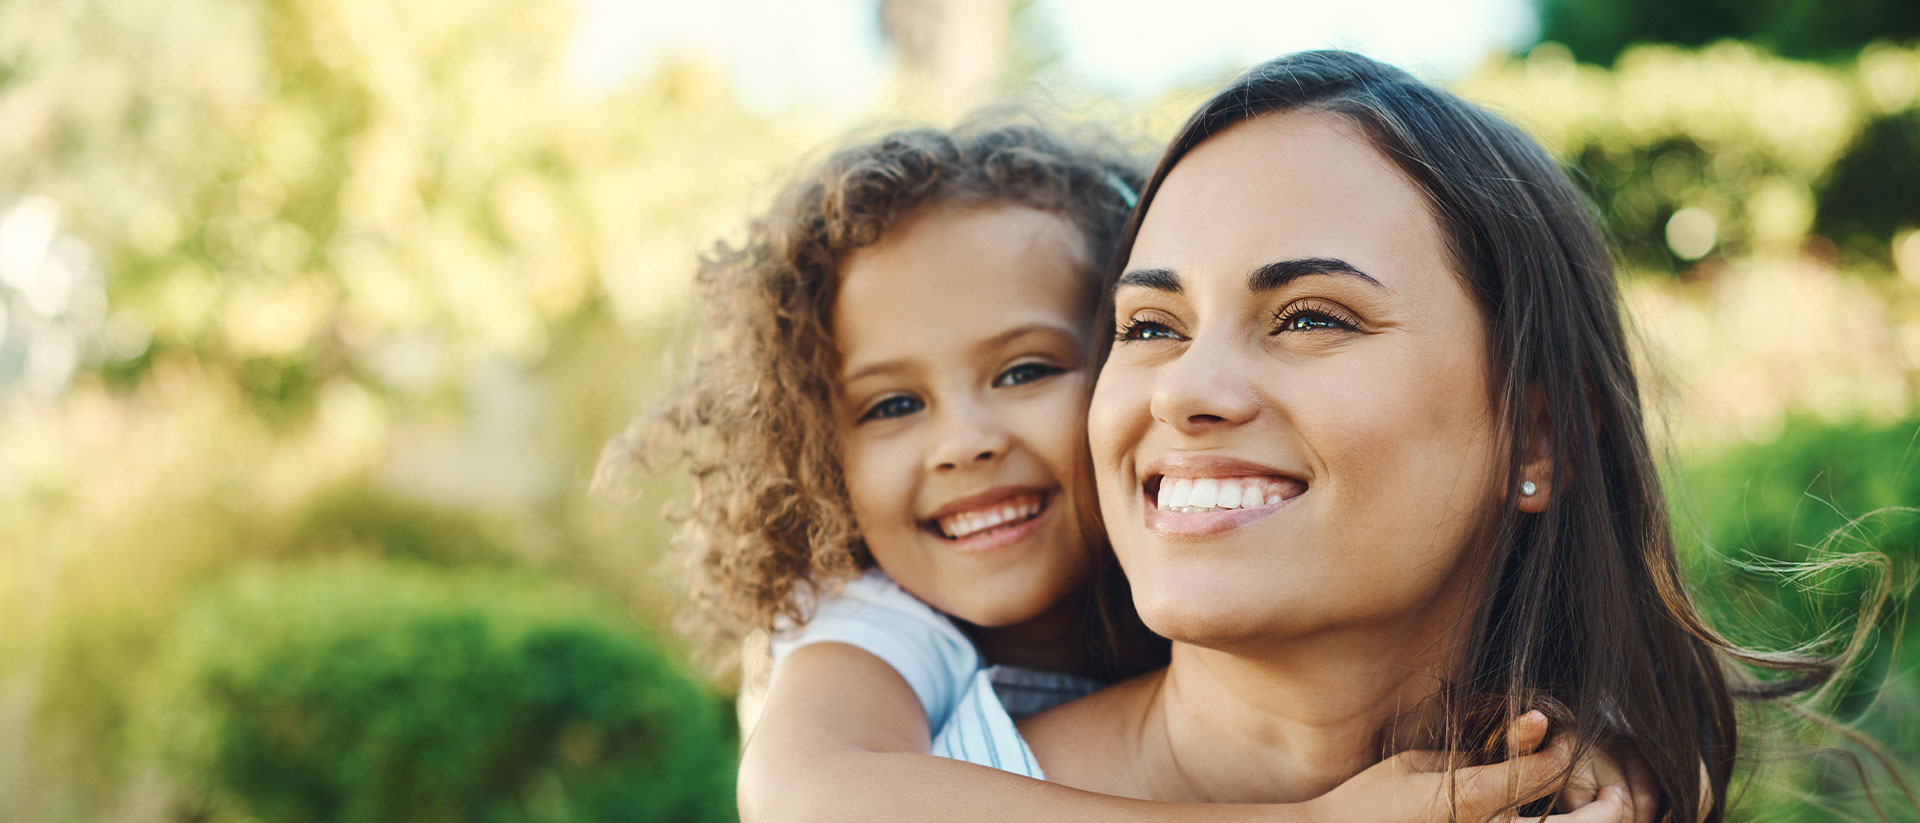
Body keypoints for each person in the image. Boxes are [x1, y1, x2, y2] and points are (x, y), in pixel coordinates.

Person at [611, 110, 1648, 822]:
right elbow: (810, 793)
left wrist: (1570, 745)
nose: (964, 441)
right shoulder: (877, 624)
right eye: (1154, 326)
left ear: (1540, 434)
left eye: (1025, 370)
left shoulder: (1157, 566)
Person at [903, 50, 1850, 822]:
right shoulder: (907, 773)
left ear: (1539, 435)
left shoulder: (1608, 790)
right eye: (1150, 326)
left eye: (1310, 316)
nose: (1183, 391)